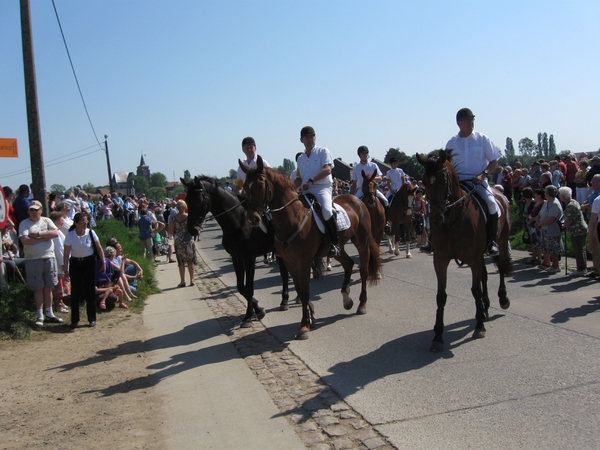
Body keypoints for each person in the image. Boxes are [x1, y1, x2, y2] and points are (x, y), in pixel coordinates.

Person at [445, 108, 501, 256]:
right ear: (459, 123)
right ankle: (436, 240)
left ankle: (492, 241)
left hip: (478, 181)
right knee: (440, 205)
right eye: (467, 120)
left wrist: (484, 174)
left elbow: (494, 162)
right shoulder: (452, 143)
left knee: (491, 203)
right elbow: (446, 166)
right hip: (458, 183)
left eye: (472, 119)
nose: (471, 122)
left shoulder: (482, 139)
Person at [295, 126, 340, 257]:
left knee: (326, 211)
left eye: (312, 136)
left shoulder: (323, 151)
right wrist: (291, 188)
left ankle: (334, 243)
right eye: (306, 137)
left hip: (321, 189)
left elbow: (327, 170)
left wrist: (311, 181)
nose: (310, 139)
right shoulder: (300, 158)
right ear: (301, 140)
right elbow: (298, 178)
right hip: (305, 190)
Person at [18, 200, 62, 327]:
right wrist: (44, 238)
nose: (33, 212)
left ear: (41, 210)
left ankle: (49, 313)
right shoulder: (24, 223)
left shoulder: (47, 221)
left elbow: (55, 233)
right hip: (33, 258)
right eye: (31, 210)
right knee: (38, 288)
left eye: (36, 209)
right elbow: (25, 240)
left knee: (49, 286)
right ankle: (40, 315)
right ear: (28, 211)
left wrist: (37, 235)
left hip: (48, 256)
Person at [63, 212, 105, 329]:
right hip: (75, 263)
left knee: (90, 290)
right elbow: (66, 254)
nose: (85, 223)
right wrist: (65, 269)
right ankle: (75, 320)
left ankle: (92, 318)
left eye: (86, 221)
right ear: (76, 223)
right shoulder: (70, 235)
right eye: (82, 221)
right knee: (75, 291)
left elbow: (99, 247)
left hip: (89, 262)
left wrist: (103, 262)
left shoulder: (90, 233)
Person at [558, 187, 587, 276]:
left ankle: (581, 269)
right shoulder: (574, 201)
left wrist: (563, 226)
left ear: (563, 196)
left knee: (578, 250)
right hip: (581, 228)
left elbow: (569, 221)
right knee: (582, 249)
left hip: (577, 230)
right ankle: (583, 267)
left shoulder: (570, 206)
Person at [535, 185, 564, 273]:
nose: (544, 193)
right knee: (547, 247)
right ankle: (548, 263)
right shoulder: (547, 202)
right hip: (544, 229)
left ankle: (555, 266)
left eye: (545, 192)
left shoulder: (554, 204)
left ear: (548, 193)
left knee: (554, 248)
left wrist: (540, 223)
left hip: (552, 229)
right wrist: (537, 221)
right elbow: (540, 213)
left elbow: (551, 219)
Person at [169, 200, 196, 287]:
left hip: (179, 242)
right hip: (188, 240)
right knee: (190, 261)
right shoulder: (188, 217)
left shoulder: (173, 218)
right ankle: (192, 279)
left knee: (181, 262)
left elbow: (171, 231)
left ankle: (182, 280)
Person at [50, 211, 70, 313]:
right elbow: (59, 249)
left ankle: (61, 302)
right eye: (61, 220)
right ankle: (57, 304)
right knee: (58, 286)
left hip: (63, 262)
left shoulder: (59, 231)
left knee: (62, 286)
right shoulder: (56, 233)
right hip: (59, 264)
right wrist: (63, 263)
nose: (63, 222)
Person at [587, 194, 600, 277]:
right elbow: (592, 221)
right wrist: (591, 239)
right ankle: (597, 269)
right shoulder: (597, 200)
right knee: (596, 250)